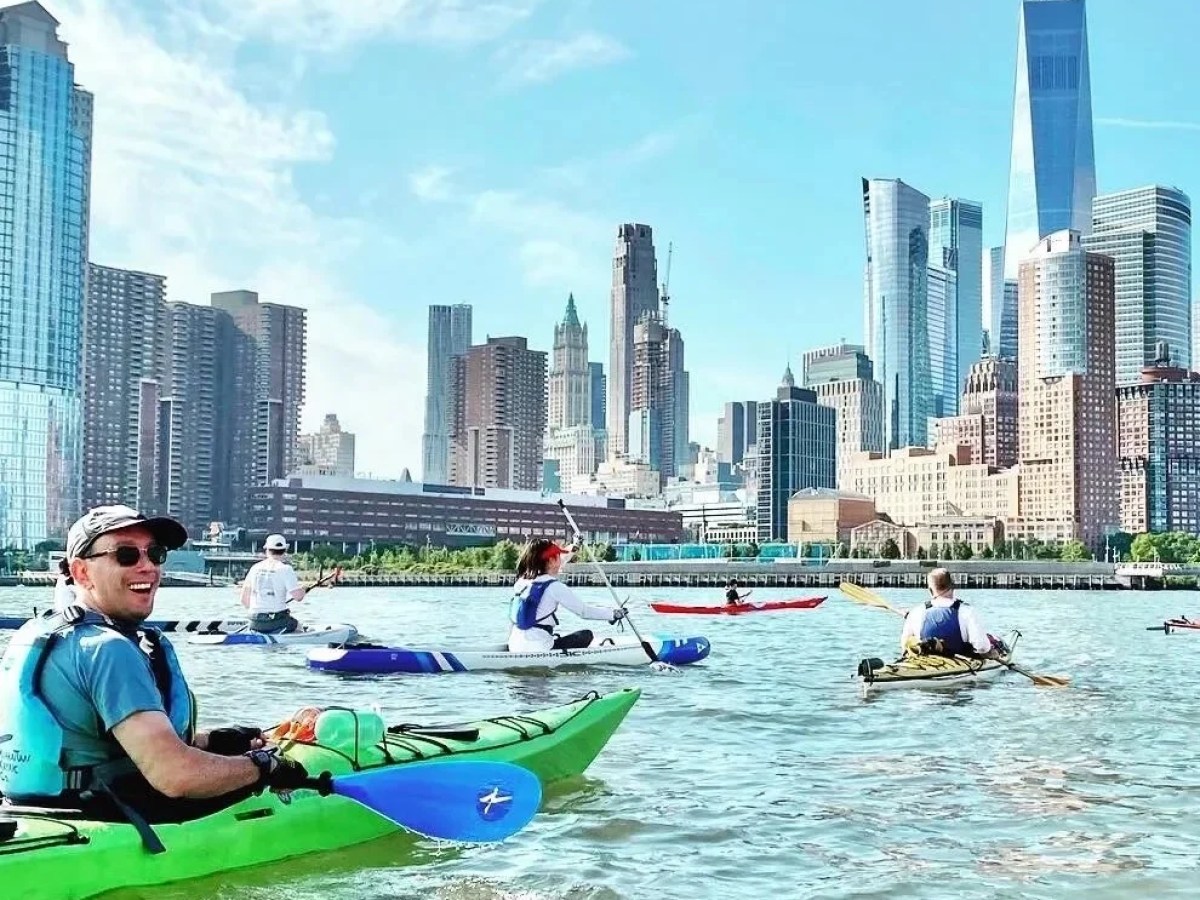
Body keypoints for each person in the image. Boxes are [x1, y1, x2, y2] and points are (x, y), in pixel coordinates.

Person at [0, 505, 309, 849]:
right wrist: (264, 766)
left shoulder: (40, 632)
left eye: (155, 554)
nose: (147, 566)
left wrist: (219, 740)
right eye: (126, 555)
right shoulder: (109, 650)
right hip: (106, 813)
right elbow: (175, 776)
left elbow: (93, 742)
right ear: (82, 572)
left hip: (33, 806)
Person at [508, 538, 626, 652]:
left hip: (514, 646)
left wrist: (574, 547)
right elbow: (584, 611)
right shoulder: (554, 587)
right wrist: (613, 614)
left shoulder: (521, 582)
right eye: (558, 556)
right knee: (586, 635)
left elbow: (557, 563)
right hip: (540, 647)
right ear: (551, 561)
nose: (561, 561)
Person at [900, 568, 1002, 659]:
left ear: (930, 590)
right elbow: (982, 647)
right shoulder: (967, 611)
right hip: (961, 661)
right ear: (952, 587)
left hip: (925, 661)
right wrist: (993, 652)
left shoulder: (916, 612)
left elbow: (905, 645)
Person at [240, 534, 307, 634]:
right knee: (299, 627)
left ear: (267, 550)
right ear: (285, 550)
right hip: (277, 621)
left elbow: (244, 601)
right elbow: (298, 597)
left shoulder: (254, 568)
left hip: (254, 622)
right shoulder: (286, 569)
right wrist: (303, 590)